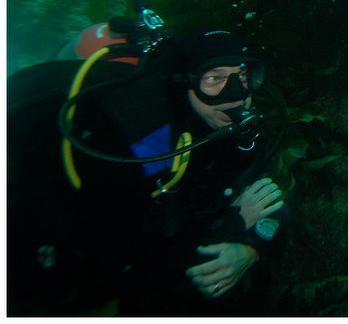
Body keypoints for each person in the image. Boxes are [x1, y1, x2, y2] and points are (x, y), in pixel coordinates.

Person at [7, 26, 293, 315]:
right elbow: (122, 269)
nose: (235, 95)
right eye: (214, 78)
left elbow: (281, 189)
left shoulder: (237, 124)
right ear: (185, 82)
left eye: (242, 76)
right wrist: (232, 224)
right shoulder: (136, 136)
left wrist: (251, 249)